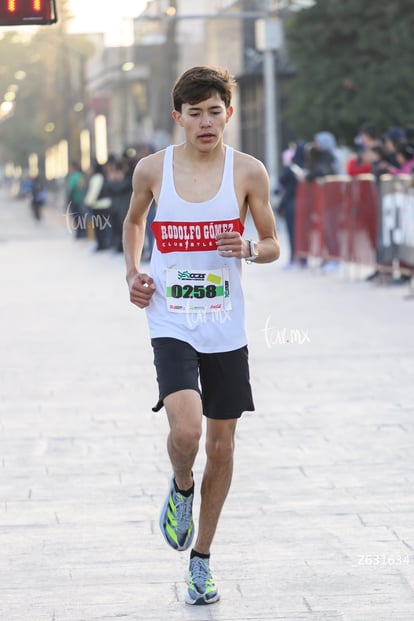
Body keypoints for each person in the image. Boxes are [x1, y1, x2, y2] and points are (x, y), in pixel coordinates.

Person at [122, 65, 280, 606]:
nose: (207, 122)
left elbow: (273, 242)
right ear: (180, 118)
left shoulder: (249, 172)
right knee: (187, 432)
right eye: (196, 114)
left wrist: (250, 250)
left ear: (228, 114)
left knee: (222, 445)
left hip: (224, 325)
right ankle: (181, 487)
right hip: (170, 319)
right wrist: (133, 272)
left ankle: (202, 562)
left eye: (216, 111)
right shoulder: (152, 169)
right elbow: (134, 221)